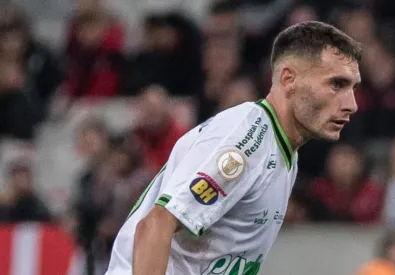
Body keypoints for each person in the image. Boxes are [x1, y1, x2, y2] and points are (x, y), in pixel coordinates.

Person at [105, 21, 362, 275]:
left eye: (353, 87)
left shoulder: (282, 152)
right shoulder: (248, 138)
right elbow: (156, 224)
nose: (351, 104)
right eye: (337, 84)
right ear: (289, 78)